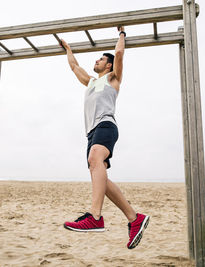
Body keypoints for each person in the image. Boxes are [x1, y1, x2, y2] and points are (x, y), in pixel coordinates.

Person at [60, 26, 149, 249]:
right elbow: (74, 66)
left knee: (94, 160)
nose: (97, 61)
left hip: (106, 124)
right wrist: (68, 48)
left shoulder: (112, 78)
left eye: (100, 59)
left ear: (107, 64)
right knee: (99, 175)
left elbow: (118, 54)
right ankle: (134, 218)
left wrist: (122, 34)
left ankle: (95, 216)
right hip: (92, 132)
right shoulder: (91, 82)